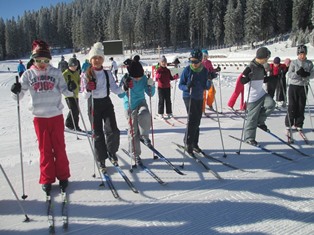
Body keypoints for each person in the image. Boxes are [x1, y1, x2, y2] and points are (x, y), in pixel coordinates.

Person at [10, 40, 75, 193]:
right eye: (38, 60)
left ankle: (63, 176)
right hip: (39, 118)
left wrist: (71, 88)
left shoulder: (56, 72)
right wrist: (16, 90)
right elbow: (18, 97)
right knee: (44, 149)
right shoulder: (28, 74)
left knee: (59, 147)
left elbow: (65, 91)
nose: (42, 64)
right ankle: (47, 178)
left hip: (56, 115)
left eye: (46, 60)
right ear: (33, 59)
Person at [81, 42, 124, 171]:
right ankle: (101, 159)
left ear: (102, 59)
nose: (97, 60)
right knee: (98, 133)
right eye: (94, 58)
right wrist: (88, 89)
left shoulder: (107, 73)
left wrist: (125, 87)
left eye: (99, 58)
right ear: (91, 60)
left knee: (113, 130)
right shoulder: (86, 74)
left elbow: (115, 89)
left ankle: (111, 152)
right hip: (93, 104)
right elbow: (84, 96)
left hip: (106, 103)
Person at [119, 55, 155, 166]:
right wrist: (124, 87)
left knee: (145, 114)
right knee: (133, 130)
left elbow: (150, 94)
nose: (138, 79)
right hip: (129, 106)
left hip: (141, 102)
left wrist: (151, 85)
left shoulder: (143, 78)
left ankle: (144, 136)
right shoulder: (126, 78)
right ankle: (135, 153)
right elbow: (120, 94)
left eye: (140, 76)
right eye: (136, 78)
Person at [178, 49, 212, 154]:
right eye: (191, 61)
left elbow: (206, 87)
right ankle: (188, 142)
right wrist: (187, 87)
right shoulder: (187, 70)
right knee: (192, 119)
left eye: (196, 62)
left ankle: (194, 143)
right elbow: (180, 85)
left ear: (201, 60)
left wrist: (209, 80)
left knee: (197, 120)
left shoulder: (204, 71)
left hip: (199, 97)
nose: (193, 64)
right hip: (188, 96)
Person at [240, 47, 275, 146]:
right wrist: (247, 78)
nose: (267, 60)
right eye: (267, 58)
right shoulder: (250, 67)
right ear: (262, 57)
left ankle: (260, 121)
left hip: (261, 93)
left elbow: (262, 80)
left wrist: (274, 78)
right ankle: (249, 138)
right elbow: (241, 81)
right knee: (252, 118)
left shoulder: (261, 66)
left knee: (271, 104)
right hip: (252, 97)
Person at [285, 45, 314, 133]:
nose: (302, 56)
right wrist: (297, 73)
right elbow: (289, 74)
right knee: (292, 105)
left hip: (303, 86)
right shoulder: (294, 63)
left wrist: (307, 74)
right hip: (294, 86)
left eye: (304, 54)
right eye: (300, 54)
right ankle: (289, 123)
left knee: (301, 106)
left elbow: (313, 74)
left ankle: (299, 123)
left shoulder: (309, 63)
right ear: (298, 54)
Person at [63, 57, 82, 131]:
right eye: (72, 66)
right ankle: (74, 125)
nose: (74, 67)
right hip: (68, 95)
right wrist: (68, 86)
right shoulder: (65, 73)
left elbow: (78, 82)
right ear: (69, 66)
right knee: (74, 110)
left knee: (76, 110)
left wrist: (79, 86)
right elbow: (62, 85)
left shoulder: (77, 73)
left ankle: (69, 123)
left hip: (75, 94)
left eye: (75, 66)